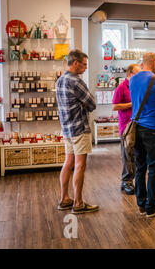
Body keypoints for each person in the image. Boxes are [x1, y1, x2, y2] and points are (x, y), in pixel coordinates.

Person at [56, 49, 98, 214]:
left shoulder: (60, 80)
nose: (85, 68)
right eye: (84, 65)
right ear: (75, 63)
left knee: (68, 163)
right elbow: (92, 104)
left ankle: (64, 198)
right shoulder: (76, 81)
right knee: (80, 166)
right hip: (79, 128)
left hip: (66, 129)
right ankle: (79, 203)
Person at [130, 52, 155, 218]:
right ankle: (151, 206)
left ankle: (141, 203)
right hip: (152, 129)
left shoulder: (132, 79)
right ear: (153, 62)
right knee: (153, 167)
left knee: (140, 167)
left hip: (136, 127)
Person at [112, 64, 141, 195]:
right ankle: (126, 181)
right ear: (129, 74)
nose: (140, 76)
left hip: (139, 124)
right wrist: (132, 104)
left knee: (135, 154)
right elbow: (115, 106)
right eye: (137, 73)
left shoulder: (138, 86)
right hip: (126, 126)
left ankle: (134, 180)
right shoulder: (121, 88)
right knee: (127, 154)